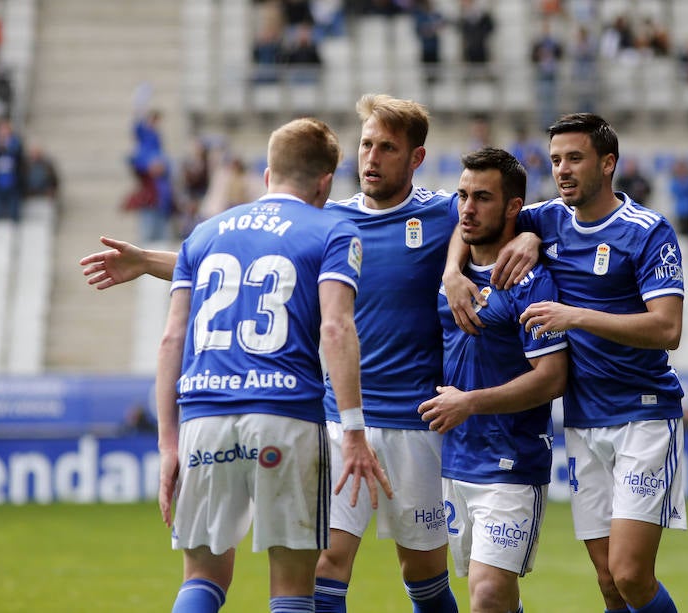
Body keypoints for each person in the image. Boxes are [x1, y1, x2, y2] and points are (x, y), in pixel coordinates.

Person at [80, 94, 462, 613]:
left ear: (415, 158)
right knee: (322, 568)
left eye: (387, 148)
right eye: (366, 144)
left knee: (423, 575)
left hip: (416, 423)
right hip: (333, 419)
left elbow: (520, 225)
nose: (370, 158)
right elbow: (267, 267)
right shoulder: (335, 221)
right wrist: (148, 260)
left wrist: (478, 261)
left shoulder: (446, 214)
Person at [444, 113, 687, 613]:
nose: (562, 170)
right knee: (607, 581)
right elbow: (470, 220)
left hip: (643, 413)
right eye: (555, 160)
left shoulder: (646, 231)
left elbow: (668, 329)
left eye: (575, 158)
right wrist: (453, 270)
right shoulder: (546, 218)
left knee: (631, 574)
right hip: (583, 418)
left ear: (608, 163)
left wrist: (575, 316)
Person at [154, 116, 391, 613]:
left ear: (268, 174)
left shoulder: (203, 234)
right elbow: (336, 328)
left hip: (204, 416)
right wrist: (352, 431)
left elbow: (172, 336)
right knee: (291, 586)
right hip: (285, 415)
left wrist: (168, 443)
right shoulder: (333, 230)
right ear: (326, 182)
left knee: (202, 576)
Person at [418, 148, 568, 613]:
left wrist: (469, 403)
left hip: (511, 461)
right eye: (463, 195)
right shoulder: (454, 275)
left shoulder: (530, 282)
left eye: (482, 197)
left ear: (512, 209)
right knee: (491, 598)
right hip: (455, 459)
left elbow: (552, 378)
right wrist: (449, 271)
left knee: (485, 593)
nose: (467, 207)